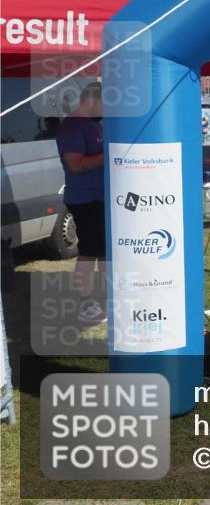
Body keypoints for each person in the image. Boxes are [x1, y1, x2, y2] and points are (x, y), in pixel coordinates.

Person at [56, 82, 106, 325]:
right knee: (89, 251)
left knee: (104, 252)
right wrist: (109, 153)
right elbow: (75, 165)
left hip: (102, 197)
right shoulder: (72, 126)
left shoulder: (94, 124)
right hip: (85, 198)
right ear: (93, 99)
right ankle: (85, 303)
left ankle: (107, 299)